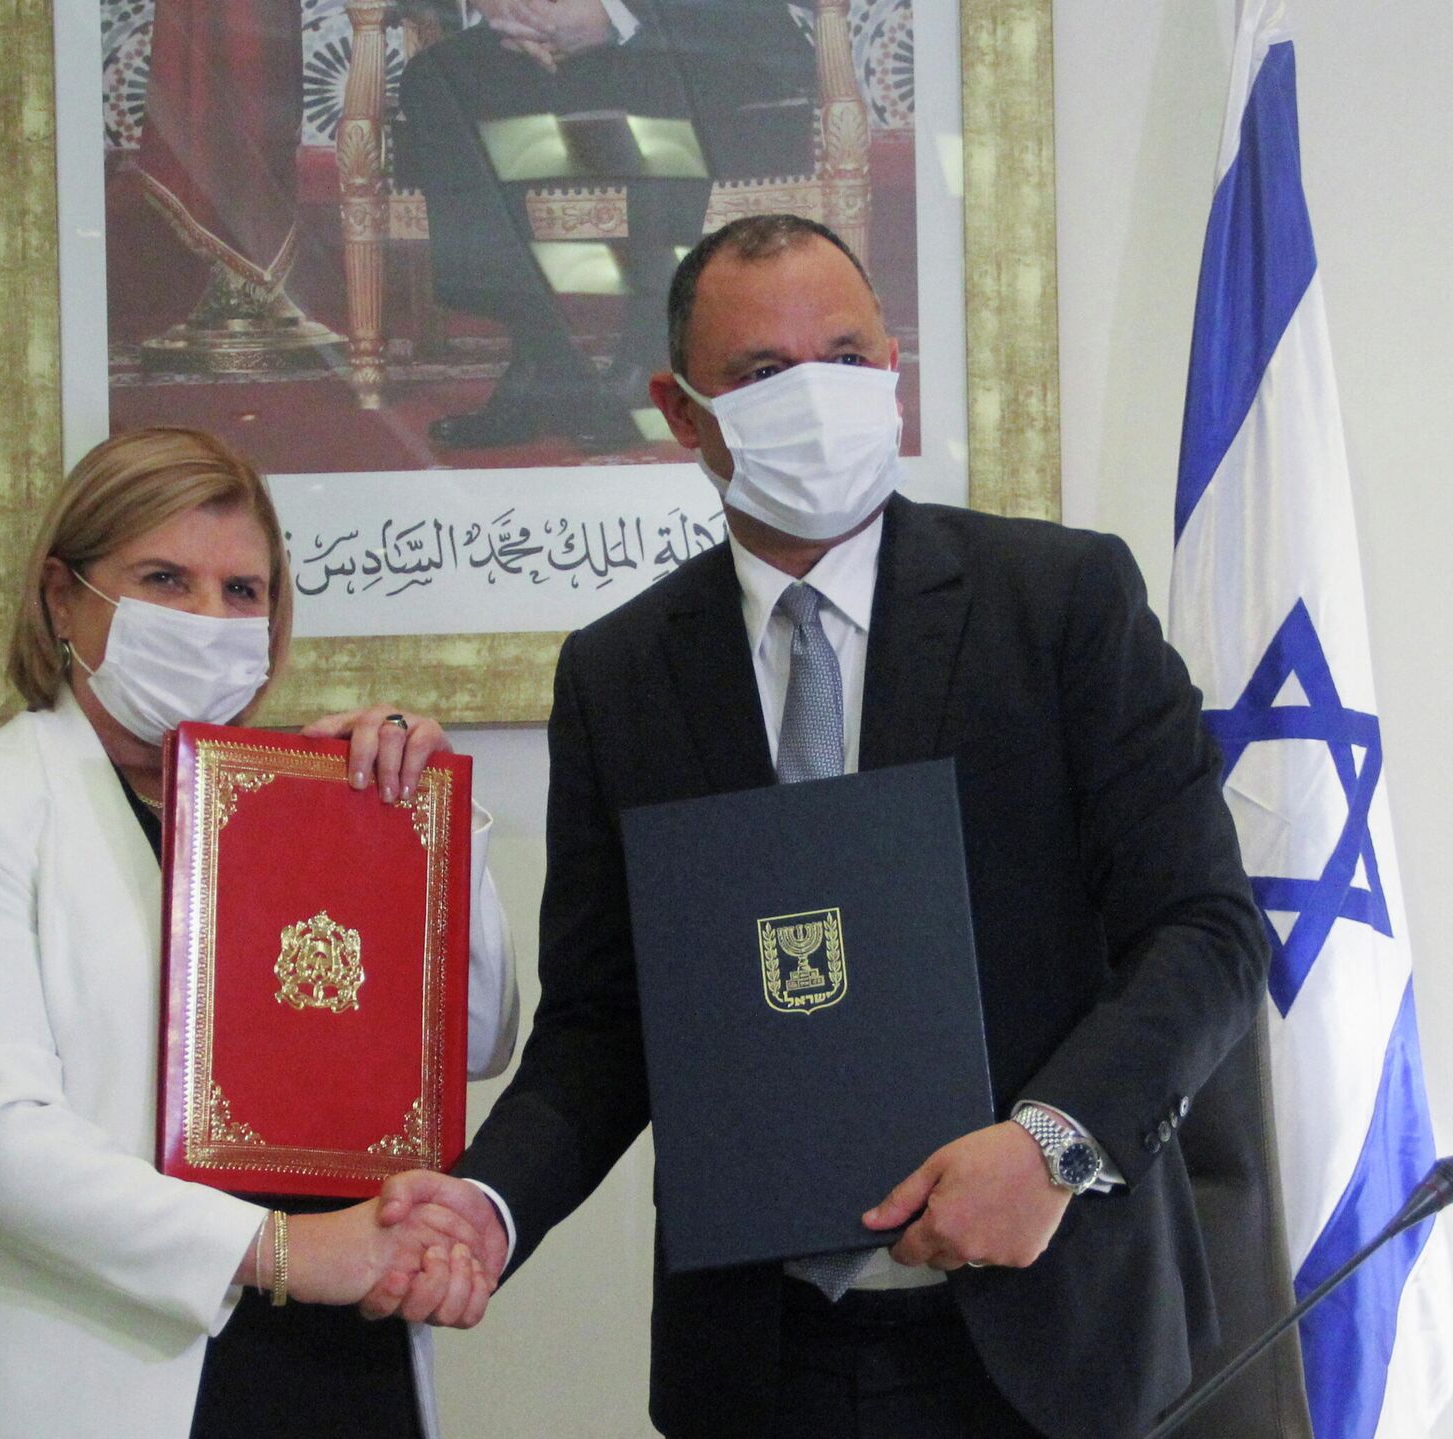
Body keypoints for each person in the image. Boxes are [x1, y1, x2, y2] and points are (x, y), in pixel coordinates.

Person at [370, 215, 1270, 1439]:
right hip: (763, 1359)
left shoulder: (1060, 602)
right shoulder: (619, 675)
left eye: (846, 358)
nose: (817, 396)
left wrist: (1051, 1142)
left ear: (891, 370)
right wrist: (489, 1203)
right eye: (762, 372)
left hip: (1056, 1339)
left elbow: (1207, 931)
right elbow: (605, 1022)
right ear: (680, 412)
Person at [0, 427, 519, 1439]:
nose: (209, 617)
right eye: (165, 579)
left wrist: (410, 828)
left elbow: (475, 1036)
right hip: (89, 1376)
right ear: (62, 596)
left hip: (340, 1359)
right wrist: (288, 1249)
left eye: (242, 591)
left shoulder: (305, 805)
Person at [396, 0, 813, 449]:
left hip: (698, 32)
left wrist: (611, 14)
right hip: (556, 38)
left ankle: (643, 359)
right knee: (434, 78)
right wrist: (506, 9)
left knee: (664, 72)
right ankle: (545, 354)